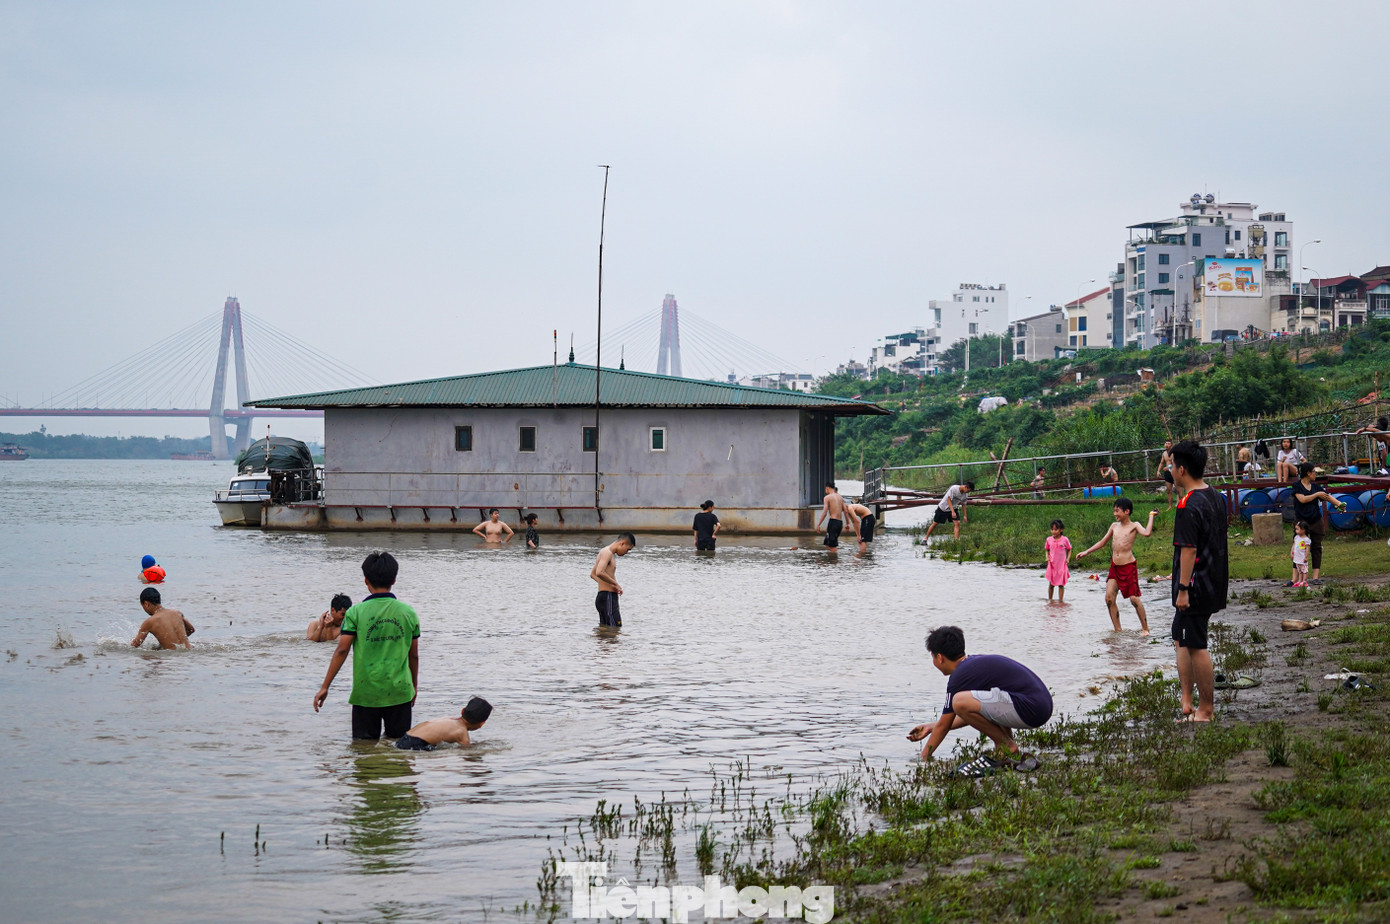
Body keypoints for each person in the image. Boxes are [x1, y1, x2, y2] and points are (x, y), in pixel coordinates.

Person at [906, 625, 1052, 771]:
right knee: (970, 701)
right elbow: (977, 711)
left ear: (939, 657)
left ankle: (1006, 744)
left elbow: (946, 723)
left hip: (1030, 709)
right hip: (1040, 707)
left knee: (958, 701)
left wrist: (923, 757)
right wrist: (932, 727)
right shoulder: (973, 664)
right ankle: (1008, 747)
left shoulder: (959, 677)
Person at [313, 552, 421, 741]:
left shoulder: (355, 612)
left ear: (366, 580)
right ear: (394, 579)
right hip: (400, 691)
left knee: (363, 751)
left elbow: (342, 650)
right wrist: (414, 686)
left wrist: (325, 686)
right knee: (398, 752)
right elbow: (414, 656)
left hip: (366, 693)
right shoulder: (408, 612)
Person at [1169, 440, 1229, 723]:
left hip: (1195, 586)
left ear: (1182, 469)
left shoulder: (1187, 504)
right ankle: (1187, 702)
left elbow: (1189, 548)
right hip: (1213, 579)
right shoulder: (1215, 495)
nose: (1170, 469)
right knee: (1181, 638)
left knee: (1196, 644)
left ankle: (1205, 710)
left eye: (1171, 465)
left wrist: (1182, 588)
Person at [1076, 497, 1156, 635]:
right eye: (1114, 510)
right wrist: (1086, 552)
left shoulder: (1134, 525)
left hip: (1128, 566)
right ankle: (1117, 630)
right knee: (1109, 598)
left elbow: (1147, 533)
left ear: (1127, 511)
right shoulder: (1114, 526)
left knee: (1134, 599)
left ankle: (1145, 628)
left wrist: (1151, 516)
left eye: (1117, 511)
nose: (1115, 514)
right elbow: (1102, 542)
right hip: (1115, 567)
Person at [1292, 462, 1346, 585]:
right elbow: (1302, 499)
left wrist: (1339, 504)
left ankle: (1315, 577)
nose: (1316, 474)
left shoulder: (1316, 486)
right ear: (1308, 473)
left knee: (1316, 548)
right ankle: (1295, 578)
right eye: (1314, 472)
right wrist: (1316, 495)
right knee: (1299, 549)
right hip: (1301, 522)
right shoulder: (1297, 486)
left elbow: (1326, 496)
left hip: (1315, 520)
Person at [395, 697, 493, 751]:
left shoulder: (449, 719)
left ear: (462, 710)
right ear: (482, 724)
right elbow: (466, 754)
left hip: (405, 737)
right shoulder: (462, 733)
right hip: (416, 745)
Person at [590, 533, 636, 627]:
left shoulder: (604, 551)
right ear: (622, 543)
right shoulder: (607, 553)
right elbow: (599, 572)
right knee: (615, 628)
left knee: (604, 631)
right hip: (608, 598)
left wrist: (607, 585)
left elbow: (592, 574)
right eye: (628, 549)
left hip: (603, 597)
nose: (626, 553)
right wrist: (615, 584)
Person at [1045, 519, 1072, 602]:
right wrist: (1047, 557)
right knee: (1051, 584)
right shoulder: (1049, 539)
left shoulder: (1064, 540)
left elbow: (1069, 549)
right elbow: (1047, 549)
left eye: (1056, 529)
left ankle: (1061, 601)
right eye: (1052, 529)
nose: (1053, 531)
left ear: (1061, 530)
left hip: (1061, 565)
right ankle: (1050, 600)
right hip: (1052, 564)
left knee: (1061, 584)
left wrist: (1068, 558)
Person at [815, 483, 847, 549]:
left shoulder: (827, 497)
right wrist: (848, 523)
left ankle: (834, 559)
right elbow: (845, 510)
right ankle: (831, 558)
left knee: (832, 546)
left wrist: (818, 524)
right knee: (827, 543)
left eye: (825, 489)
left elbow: (824, 512)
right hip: (839, 523)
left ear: (827, 488)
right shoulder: (840, 497)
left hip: (833, 522)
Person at [1289, 521, 1312, 588]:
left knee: (1304, 570)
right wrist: (1291, 552)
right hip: (1297, 558)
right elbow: (1294, 545)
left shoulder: (1306, 540)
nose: (1296, 531)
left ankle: (1304, 581)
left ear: (1303, 530)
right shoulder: (1296, 537)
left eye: (1297, 529)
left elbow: (1307, 549)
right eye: (1296, 529)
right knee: (1300, 570)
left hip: (1302, 558)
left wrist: (1306, 557)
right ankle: (1300, 581)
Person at [1157, 440, 1176, 509]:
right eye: (1166, 443)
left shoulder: (1174, 453)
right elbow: (1161, 463)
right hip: (1167, 473)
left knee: (1178, 489)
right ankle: (1170, 506)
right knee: (1168, 490)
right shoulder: (1164, 453)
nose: (1167, 445)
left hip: (1175, 472)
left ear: (1171, 445)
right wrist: (1158, 471)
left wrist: (1169, 467)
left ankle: (1179, 504)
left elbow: (1176, 463)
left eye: (1168, 443)